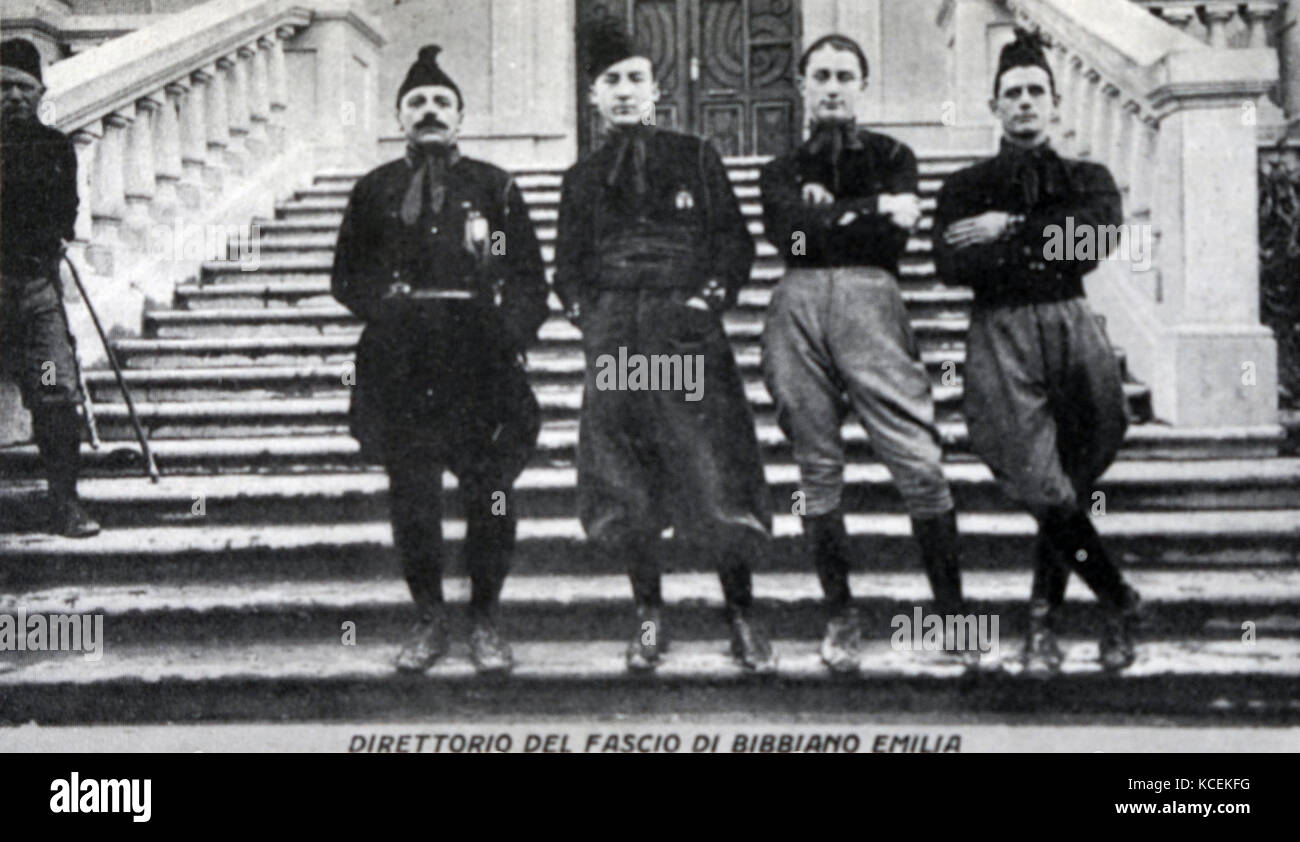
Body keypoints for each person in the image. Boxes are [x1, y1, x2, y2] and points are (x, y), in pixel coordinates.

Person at [554, 17, 775, 673]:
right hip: (619, 333)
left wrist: (707, 301)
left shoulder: (696, 155)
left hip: (684, 333)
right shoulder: (580, 178)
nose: (624, 91)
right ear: (594, 97)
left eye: (635, 79)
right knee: (626, 477)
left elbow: (734, 244)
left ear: (655, 89)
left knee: (714, 467)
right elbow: (567, 267)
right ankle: (649, 617)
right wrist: (591, 319)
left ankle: (742, 615)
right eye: (610, 82)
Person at [331, 46, 549, 675]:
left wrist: (505, 333)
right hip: (402, 366)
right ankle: (429, 617)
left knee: (492, 496)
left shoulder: (494, 187)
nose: (429, 112)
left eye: (441, 103)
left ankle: (485, 618)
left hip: (479, 366)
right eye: (417, 103)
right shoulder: (374, 191)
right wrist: (386, 305)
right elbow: (346, 277)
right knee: (413, 497)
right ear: (400, 118)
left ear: (460, 118)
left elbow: (527, 277)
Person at [759, 34, 970, 673]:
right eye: (819, 75)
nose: (831, 86)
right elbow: (787, 231)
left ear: (862, 84)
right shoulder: (782, 168)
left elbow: (896, 232)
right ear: (801, 87)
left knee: (919, 461)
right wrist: (868, 209)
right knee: (817, 469)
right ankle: (840, 616)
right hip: (795, 306)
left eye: (844, 75)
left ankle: (955, 617)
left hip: (874, 301)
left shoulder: (894, 154)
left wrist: (837, 215)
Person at [932, 29, 1141, 673]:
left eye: (1035, 92)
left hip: (1073, 328)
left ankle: (1044, 622)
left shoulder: (1090, 178)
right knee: (1042, 483)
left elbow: (1089, 242)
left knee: (1070, 477)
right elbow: (951, 263)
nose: (1024, 102)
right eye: (1011, 93)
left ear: (1055, 105)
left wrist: (1013, 229)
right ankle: (1118, 597)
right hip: (1000, 332)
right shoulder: (964, 186)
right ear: (995, 106)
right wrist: (1043, 239)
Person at [0, 38, 99, 538]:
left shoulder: (54, 148)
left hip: (34, 293)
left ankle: (65, 502)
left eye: (22, 88)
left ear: (40, 92)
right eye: (2, 88)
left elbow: (65, 216)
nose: (13, 98)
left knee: (53, 390)